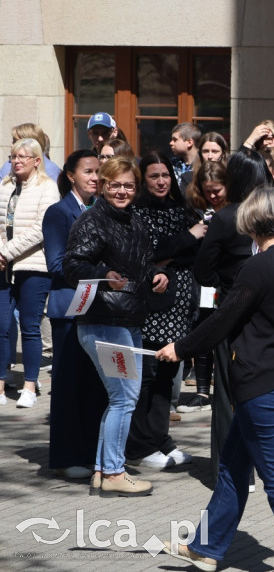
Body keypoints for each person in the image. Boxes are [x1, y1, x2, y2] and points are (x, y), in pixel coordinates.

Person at [156, 187, 274, 572]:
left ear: (251, 221)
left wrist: (179, 348)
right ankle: (206, 547)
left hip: (264, 383)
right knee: (232, 468)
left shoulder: (259, 266)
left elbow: (223, 319)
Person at [64, 156, 169, 496]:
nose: (122, 191)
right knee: (124, 398)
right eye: (115, 184)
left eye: (128, 185)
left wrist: (155, 274)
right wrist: (103, 276)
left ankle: (101, 469)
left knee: (120, 398)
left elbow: (140, 263)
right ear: (103, 185)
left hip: (128, 319)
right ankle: (113, 472)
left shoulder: (134, 219)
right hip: (104, 321)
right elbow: (72, 264)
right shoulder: (92, 220)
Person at [125, 152, 205, 469]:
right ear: (143, 179)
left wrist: (174, 252)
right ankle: (141, 446)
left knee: (168, 372)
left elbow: (192, 254)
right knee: (147, 374)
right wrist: (186, 239)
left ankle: (160, 439)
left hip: (181, 302)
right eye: (154, 176)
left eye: (166, 175)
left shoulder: (181, 208)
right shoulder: (138, 212)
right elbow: (150, 253)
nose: (161, 181)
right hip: (152, 303)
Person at [45, 150, 107, 477]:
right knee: (69, 383)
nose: (95, 177)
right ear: (71, 175)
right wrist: (100, 270)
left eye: (99, 171)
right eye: (88, 171)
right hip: (69, 308)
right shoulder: (59, 212)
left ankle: (92, 451)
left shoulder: (102, 210)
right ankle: (68, 456)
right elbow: (56, 264)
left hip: (99, 308)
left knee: (94, 384)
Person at [0, 138, 60, 408]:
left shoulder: (47, 188)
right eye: (13, 156)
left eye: (23, 156)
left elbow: (40, 228)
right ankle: (0, 384)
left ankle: (29, 386)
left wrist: (6, 252)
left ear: (37, 160)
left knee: (30, 327)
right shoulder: (5, 187)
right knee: (1, 327)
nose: (17, 160)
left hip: (33, 266)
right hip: (3, 266)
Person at [177, 160, 228, 415]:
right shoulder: (193, 209)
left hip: (226, 278)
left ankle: (224, 389)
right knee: (203, 327)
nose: (212, 195)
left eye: (217, 189)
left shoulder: (233, 210)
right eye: (207, 190)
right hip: (202, 278)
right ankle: (201, 391)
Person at [169, 123, 202, 187]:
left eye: (175, 140)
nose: (171, 143)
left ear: (189, 142)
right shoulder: (172, 164)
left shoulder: (203, 165)